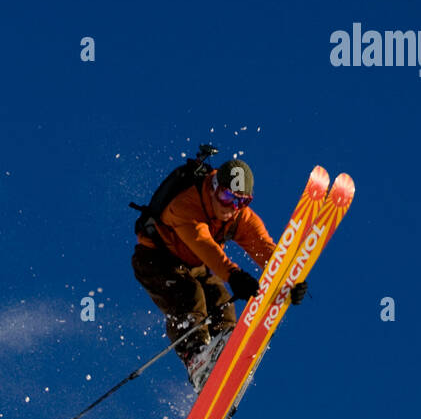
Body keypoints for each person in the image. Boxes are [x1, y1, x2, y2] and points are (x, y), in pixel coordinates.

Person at [132, 158, 307, 380]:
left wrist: (288, 280)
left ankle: (223, 352)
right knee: (190, 296)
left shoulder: (238, 214)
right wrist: (234, 275)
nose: (232, 207)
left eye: (241, 201)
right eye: (227, 197)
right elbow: (203, 244)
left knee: (221, 302)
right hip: (155, 260)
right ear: (214, 187)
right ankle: (196, 356)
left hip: (194, 265)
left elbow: (264, 247)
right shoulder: (186, 205)